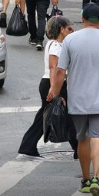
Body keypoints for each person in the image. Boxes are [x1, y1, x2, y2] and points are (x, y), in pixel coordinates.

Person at [49, 3, 99, 196]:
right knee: (98, 138)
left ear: (82, 19)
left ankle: (85, 180)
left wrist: (55, 92)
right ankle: (96, 179)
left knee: (82, 139)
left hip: (78, 100)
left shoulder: (70, 40)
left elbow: (60, 70)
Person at [18, 16, 79, 159]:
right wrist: (55, 90)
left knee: (46, 116)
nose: (72, 30)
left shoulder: (56, 44)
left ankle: (28, 146)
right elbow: (54, 68)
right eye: (69, 28)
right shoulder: (56, 46)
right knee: (67, 115)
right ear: (62, 29)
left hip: (51, 83)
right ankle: (78, 149)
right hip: (53, 83)